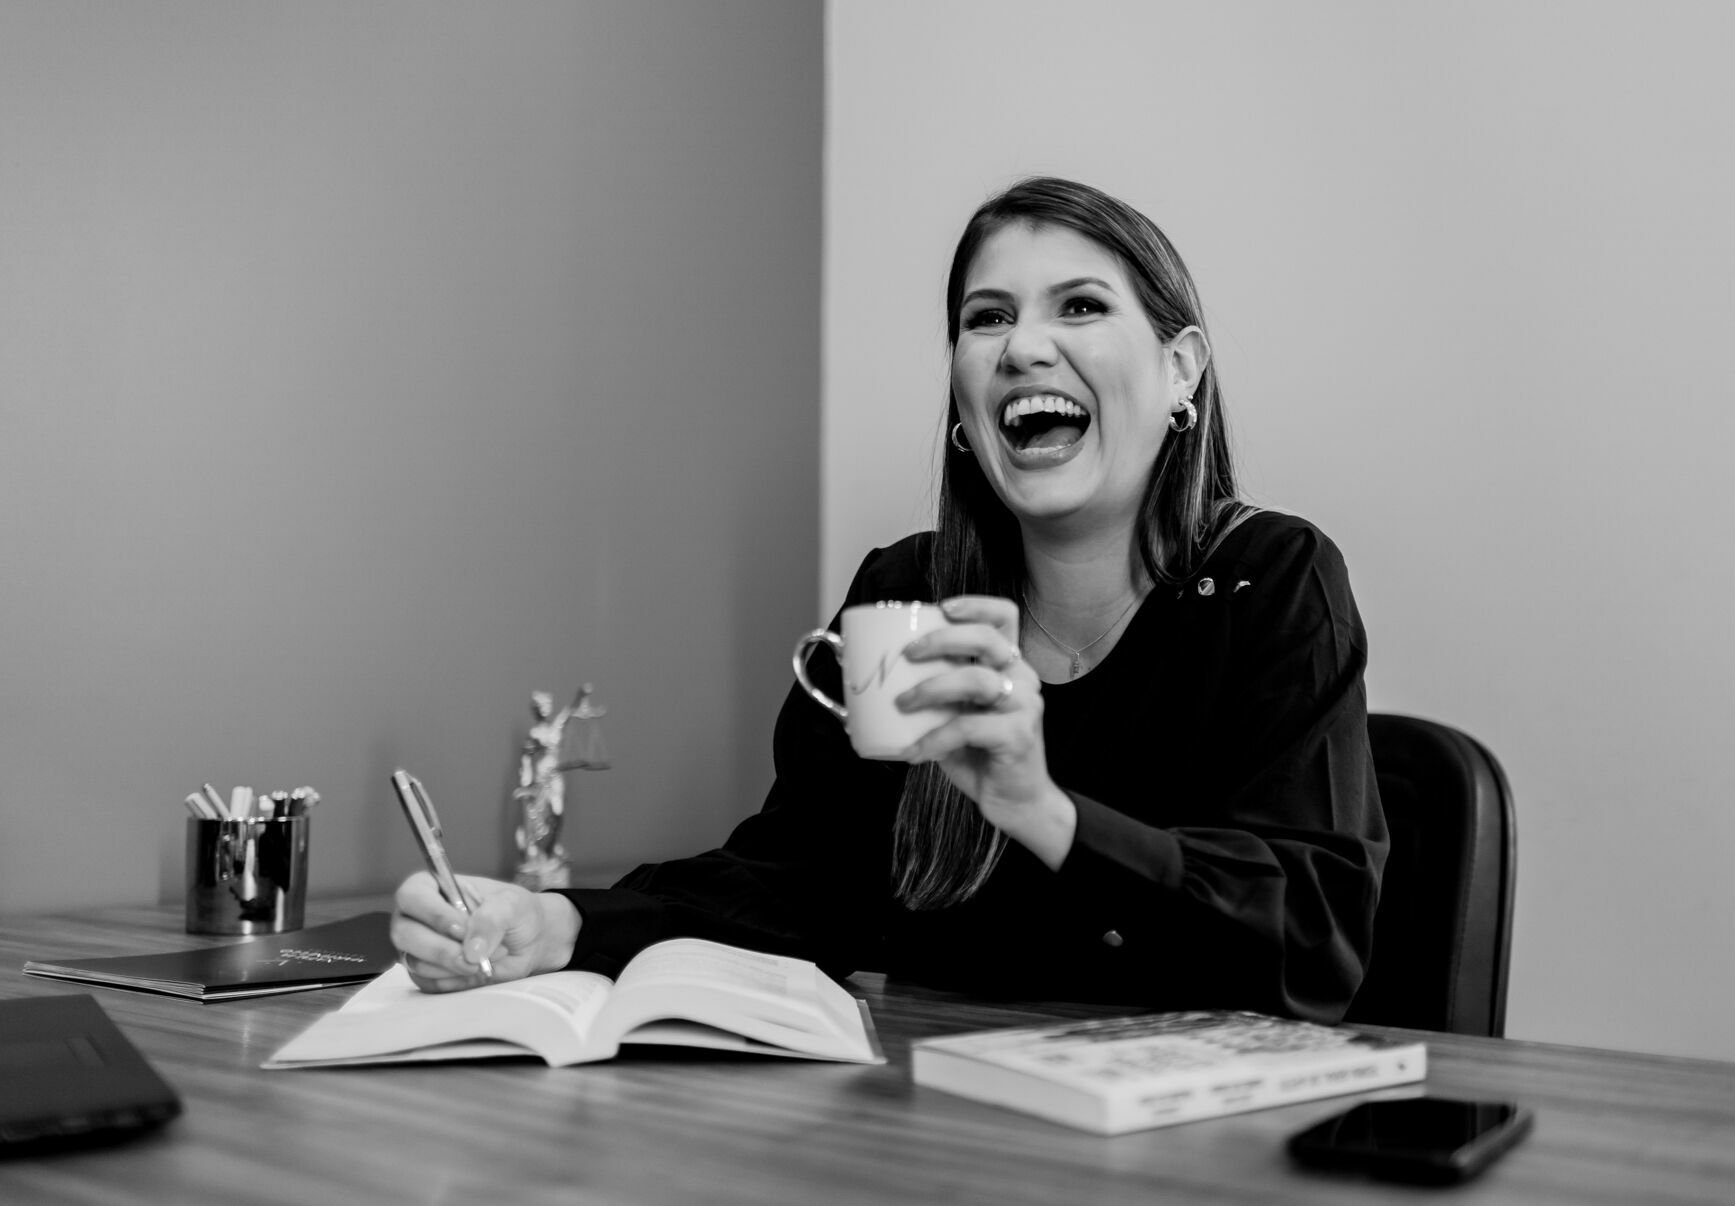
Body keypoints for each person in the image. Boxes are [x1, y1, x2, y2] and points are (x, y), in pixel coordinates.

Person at [391, 177, 1388, 1021]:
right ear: (962, 401)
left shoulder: (1273, 578)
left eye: (1079, 306)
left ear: (1181, 372)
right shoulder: (905, 595)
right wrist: (564, 922)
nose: (1023, 347)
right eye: (986, 318)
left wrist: (1042, 811)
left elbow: (1311, 939)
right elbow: (799, 882)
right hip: (933, 1131)